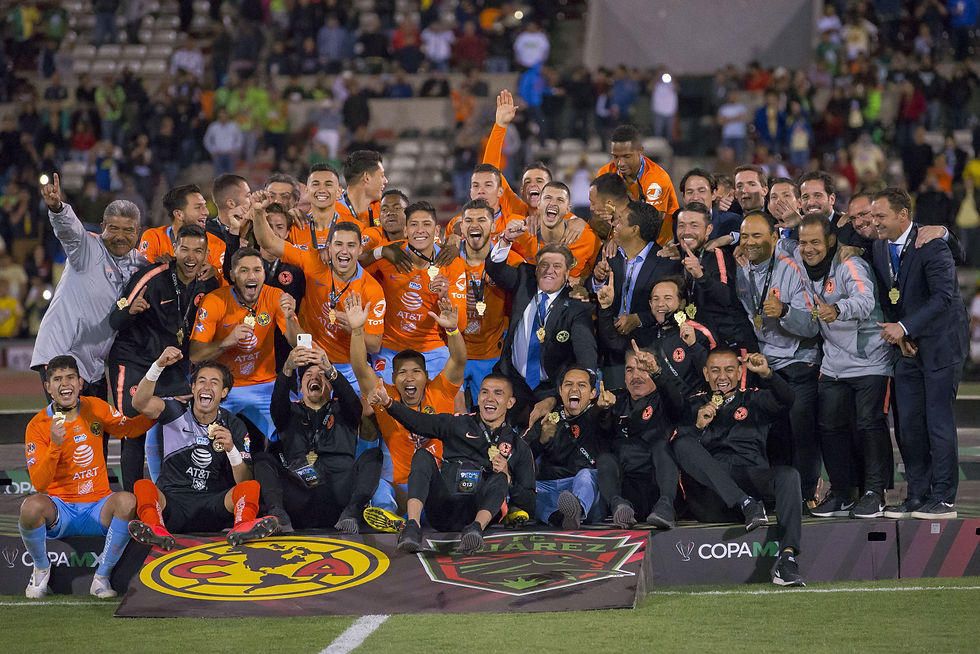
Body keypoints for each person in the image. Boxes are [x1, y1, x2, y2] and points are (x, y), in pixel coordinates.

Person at [20, 355, 154, 598]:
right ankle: (40, 568)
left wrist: (158, 414)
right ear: (48, 387)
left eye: (70, 377)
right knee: (30, 507)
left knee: (127, 501)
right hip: (61, 510)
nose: (65, 384)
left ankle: (102, 577)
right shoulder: (37, 425)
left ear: (80, 382)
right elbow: (39, 484)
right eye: (57, 379)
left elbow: (128, 429)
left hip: (98, 506)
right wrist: (55, 445)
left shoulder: (96, 407)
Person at [870, 188, 968, 519]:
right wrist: (901, 336)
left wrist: (904, 327)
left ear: (903, 215)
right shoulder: (880, 246)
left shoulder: (932, 243)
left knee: (938, 422)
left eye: (881, 216)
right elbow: (888, 295)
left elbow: (943, 297)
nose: (875, 222)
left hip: (941, 344)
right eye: (873, 216)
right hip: (907, 347)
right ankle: (917, 495)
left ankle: (943, 497)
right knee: (909, 425)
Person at [671, 349, 804, 587]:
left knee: (788, 475)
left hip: (752, 480)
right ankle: (745, 503)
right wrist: (698, 427)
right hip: (716, 497)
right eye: (715, 370)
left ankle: (787, 559)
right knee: (682, 443)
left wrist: (768, 374)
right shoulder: (693, 404)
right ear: (706, 373)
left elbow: (788, 399)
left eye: (729, 370)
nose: (722, 376)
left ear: (740, 371)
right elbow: (682, 451)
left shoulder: (755, 399)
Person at [790, 215, 894, 519]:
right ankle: (842, 493)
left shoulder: (851, 264)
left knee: (869, 424)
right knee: (830, 427)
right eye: (803, 243)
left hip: (870, 359)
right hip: (834, 362)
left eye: (815, 242)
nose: (808, 249)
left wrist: (837, 309)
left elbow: (865, 300)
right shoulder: (801, 267)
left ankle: (874, 493)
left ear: (831, 241)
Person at [367, 374, 534, 555]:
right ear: (478, 397)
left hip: (478, 512)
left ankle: (475, 530)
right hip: (443, 509)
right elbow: (419, 422)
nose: (490, 398)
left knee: (500, 476)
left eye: (498, 393)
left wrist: (508, 479)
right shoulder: (458, 424)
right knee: (422, 455)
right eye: (485, 392)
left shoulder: (519, 447)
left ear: (510, 402)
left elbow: (529, 502)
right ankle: (412, 527)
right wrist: (388, 403)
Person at [107, 224, 220, 490]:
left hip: (171, 364)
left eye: (198, 251)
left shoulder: (208, 282)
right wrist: (129, 311)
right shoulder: (151, 276)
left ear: (206, 255)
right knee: (133, 429)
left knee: (187, 420)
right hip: (134, 361)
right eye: (185, 249)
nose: (191, 257)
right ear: (174, 250)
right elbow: (115, 319)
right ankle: (133, 501)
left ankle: (176, 493)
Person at [129, 348, 278, 547]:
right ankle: (155, 529)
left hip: (214, 506)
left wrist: (232, 450)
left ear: (224, 392)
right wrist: (158, 366)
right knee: (143, 486)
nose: (206, 387)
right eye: (201, 381)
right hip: (172, 505)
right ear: (193, 388)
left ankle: (243, 527)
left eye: (214, 383)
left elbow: (244, 480)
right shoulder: (173, 410)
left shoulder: (234, 425)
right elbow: (139, 403)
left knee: (251, 487)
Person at [347, 291, 466, 517]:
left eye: (416, 372)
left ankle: (400, 517)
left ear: (427, 376)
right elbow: (360, 368)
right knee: (379, 488)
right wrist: (357, 330)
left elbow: (459, 360)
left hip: (435, 488)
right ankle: (389, 516)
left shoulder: (439, 391)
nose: (409, 378)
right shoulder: (385, 396)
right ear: (393, 378)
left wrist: (452, 330)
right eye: (402, 372)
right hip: (402, 489)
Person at [31, 174, 145, 406]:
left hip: (94, 364)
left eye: (128, 230)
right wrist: (58, 209)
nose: (120, 236)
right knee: (70, 425)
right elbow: (70, 231)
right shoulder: (86, 248)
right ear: (102, 227)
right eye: (113, 228)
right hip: (61, 353)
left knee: (96, 427)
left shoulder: (139, 263)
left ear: (138, 231)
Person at [251, 195, 384, 391]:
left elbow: (374, 345)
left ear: (359, 250)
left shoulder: (371, 289)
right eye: (338, 244)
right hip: (312, 361)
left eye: (351, 245)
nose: (344, 251)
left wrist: (354, 329)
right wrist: (258, 211)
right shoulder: (314, 262)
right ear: (329, 247)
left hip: (350, 367)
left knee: (363, 407)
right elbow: (268, 242)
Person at [735, 211, 821, 503]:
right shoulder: (742, 266)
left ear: (774, 238)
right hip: (766, 363)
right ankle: (779, 496)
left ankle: (806, 496)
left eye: (757, 235)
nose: (749, 242)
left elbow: (812, 325)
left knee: (801, 429)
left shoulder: (793, 267)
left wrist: (785, 311)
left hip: (799, 361)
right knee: (772, 432)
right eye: (744, 236)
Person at [254, 344, 382, 534]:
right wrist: (287, 368)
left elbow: (351, 400)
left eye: (321, 375)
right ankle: (278, 515)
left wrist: (329, 369)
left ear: (330, 386)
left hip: (339, 493)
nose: (315, 377)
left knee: (374, 455)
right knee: (262, 459)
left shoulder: (345, 410)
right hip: (300, 493)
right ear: (301, 388)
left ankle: (353, 513)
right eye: (308, 375)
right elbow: (278, 401)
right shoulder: (288, 413)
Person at [190, 248, 299, 442]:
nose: (252, 276)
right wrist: (227, 342)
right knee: (203, 442)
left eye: (257, 270)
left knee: (295, 430)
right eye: (244, 270)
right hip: (223, 388)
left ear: (264, 274)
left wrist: (290, 318)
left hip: (265, 385)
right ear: (232, 275)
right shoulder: (214, 301)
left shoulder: (275, 296)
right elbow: (195, 355)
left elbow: (300, 342)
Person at [487, 236, 597, 427]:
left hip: (551, 389)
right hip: (513, 381)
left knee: (544, 438)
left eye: (557, 266)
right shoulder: (524, 279)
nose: (549, 270)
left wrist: (556, 398)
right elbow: (494, 269)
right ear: (536, 268)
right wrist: (505, 240)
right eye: (544, 265)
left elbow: (586, 355)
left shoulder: (577, 306)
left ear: (567, 273)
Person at [368, 201, 468, 382]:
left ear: (436, 230)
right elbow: (354, 266)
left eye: (426, 224)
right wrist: (380, 251)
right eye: (414, 225)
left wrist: (446, 297)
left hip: (431, 347)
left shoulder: (452, 262)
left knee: (456, 395)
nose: (420, 230)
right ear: (405, 230)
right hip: (390, 348)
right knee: (380, 397)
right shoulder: (390, 254)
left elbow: (460, 325)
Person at [590, 201, 681, 385]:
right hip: (608, 346)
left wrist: (639, 319)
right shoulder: (609, 253)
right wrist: (597, 280)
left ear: (634, 230)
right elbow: (590, 290)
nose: (614, 224)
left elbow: (673, 309)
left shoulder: (666, 262)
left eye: (620, 220)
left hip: (647, 350)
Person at [596, 343, 686, 528]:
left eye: (643, 370)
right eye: (630, 370)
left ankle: (666, 506)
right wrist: (602, 411)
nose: (635, 376)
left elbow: (676, 401)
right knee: (604, 459)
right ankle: (619, 507)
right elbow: (600, 435)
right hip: (629, 488)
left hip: (657, 484)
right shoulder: (615, 400)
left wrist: (658, 373)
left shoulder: (665, 398)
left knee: (662, 447)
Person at [601, 276, 714, 397]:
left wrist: (693, 345)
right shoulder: (647, 334)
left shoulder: (700, 332)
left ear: (681, 303)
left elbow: (714, 375)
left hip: (694, 404)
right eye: (656, 299)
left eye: (668, 298)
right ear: (650, 304)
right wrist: (606, 308)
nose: (660, 304)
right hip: (659, 405)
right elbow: (614, 343)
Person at [667, 202, 756, 352]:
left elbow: (726, 297)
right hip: (703, 343)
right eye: (681, 226)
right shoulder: (678, 259)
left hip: (732, 346)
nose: (686, 232)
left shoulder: (718, 255)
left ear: (708, 230)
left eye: (694, 226)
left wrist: (700, 275)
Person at [457, 199, 521, 405]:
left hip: (491, 354)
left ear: (493, 227)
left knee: (489, 414)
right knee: (451, 414)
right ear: (461, 227)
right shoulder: (446, 258)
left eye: (482, 220)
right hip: (453, 353)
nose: (474, 225)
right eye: (469, 220)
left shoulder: (511, 260)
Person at [524, 367, 604, 529]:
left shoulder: (600, 415)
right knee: (523, 490)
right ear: (560, 391)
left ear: (592, 393)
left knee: (586, 476)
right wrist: (542, 440)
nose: (574, 389)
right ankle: (559, 517)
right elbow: (523, 455)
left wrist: (606, 408)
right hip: (550, 488)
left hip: (584, 490)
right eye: (568, 384)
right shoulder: (547, 418)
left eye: (581, 385)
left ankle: (576, 510)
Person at [595, 124, 679, 245]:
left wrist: (615, 214)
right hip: (623, 239)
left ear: (640, 150)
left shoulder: (657, 178)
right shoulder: (605, 173)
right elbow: (599, 214)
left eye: (626, 156)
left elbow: (650, 224)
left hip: (660, 244)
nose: (620, 163)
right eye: (616, 157)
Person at [507, 181, 601, 283]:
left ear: (567, 209)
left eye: (560, 200)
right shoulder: (521, 233)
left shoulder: (587, 239)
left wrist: (580, 281)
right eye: (548, 198)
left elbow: (600, 276)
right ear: (538, 204)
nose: (552, 203)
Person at [139, 185, 226, 282]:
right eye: (198, 207)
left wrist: (215, 275)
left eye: (204, 206)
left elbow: (226, 287)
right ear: (179, 214)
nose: (206, 212)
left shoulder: (217, 244)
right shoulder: (153, 237)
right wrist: (161, 267)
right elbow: (142, 278)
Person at [287, 163, 342, 252]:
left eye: (328, 184)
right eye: (316, 184)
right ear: (307, 190)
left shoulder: (354, 226)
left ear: (339, 191)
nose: (322, 190)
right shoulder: (294, 227)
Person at [337, 150, 386, 230]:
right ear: (367, 177)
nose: (386, 181)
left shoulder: (384, 209)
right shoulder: (330, 213)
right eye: (382, 175)